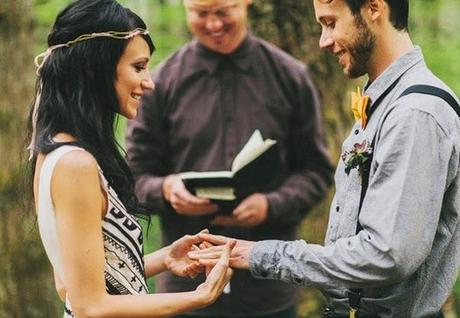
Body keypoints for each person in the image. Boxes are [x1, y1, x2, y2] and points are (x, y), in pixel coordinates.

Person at [189, 0, 460, 317]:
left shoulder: (414, 113)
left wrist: (263, 255)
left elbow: (386, 255)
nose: (323, 41)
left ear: (374, 8)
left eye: (331, 23)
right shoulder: (384, 101)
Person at [125, 0, 334, 316]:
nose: (213, 24)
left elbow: (316, 172)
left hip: (268, 289)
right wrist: (167, 189)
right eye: (201, 13)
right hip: (186, 288)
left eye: (223, 12)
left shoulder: (290, 77)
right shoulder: (161, 83)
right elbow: (134, 177)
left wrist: (271, 204)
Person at [28, 1, 234, 317]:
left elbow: (71, 283)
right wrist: (200, 296)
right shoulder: (75, 165)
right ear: (94, 68)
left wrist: (165, 258)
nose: (149, 82)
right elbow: (90, 306)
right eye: (138, 67)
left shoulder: (52, 151)